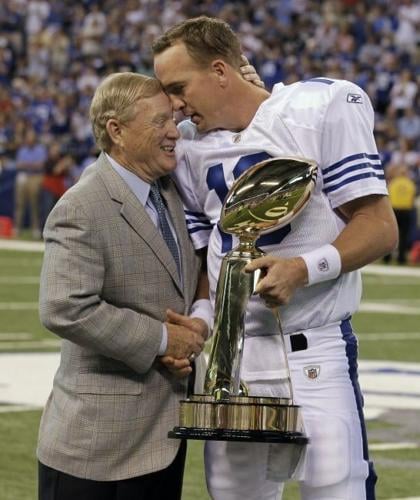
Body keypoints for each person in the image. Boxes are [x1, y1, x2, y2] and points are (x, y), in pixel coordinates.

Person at [152, 16, 398, 500]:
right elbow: (206, 260)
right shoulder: (187, 150)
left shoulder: (317, 106)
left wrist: (303, 268)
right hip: (232, 365)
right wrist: (202, 320)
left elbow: (379, 227)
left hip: (315, 354)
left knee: (337, 491)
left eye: (179, 86)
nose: (174, 104)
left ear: (221, 71)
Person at [37, 72, 210, 500]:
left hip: (163, 436)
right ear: (116, 130)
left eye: (173, 118)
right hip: (96, 448)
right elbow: (64, 306)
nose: (174, 131)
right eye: (159, 122)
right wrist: (162, 339)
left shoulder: (168, 189)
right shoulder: (82, 205)